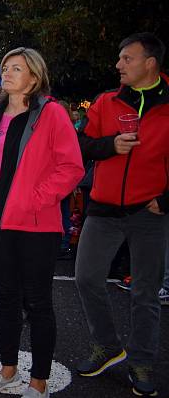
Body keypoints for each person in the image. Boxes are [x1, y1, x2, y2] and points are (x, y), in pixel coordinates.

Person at [0, 47, 84, 398]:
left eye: (17, 68)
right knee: (6, 298)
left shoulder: (52, 114)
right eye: (5, 67)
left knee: (38, 302)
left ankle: (39, 382)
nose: (8, 72)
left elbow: (72, 167)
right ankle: (8, 370)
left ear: (34, 77)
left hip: (36, 224)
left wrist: (35, 199)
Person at [74, 32, 168, 397]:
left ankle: (142, 361)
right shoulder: (105, 102)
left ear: (150, 63)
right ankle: (108, 346)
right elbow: (82, 144)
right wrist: (110, 145)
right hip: (104, 207)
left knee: (145, 291)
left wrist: (166, 200)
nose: (118, 65)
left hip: (150, 212)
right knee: (86, 278)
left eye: (127, 59)